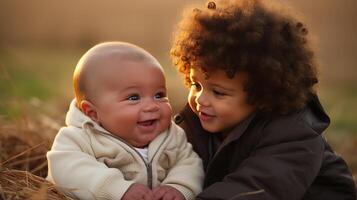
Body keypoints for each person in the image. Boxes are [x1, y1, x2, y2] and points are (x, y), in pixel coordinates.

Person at [170, 0, 356, 199]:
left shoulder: (294, 135)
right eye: (195, 85)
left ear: (261, 94)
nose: (200, 100)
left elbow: (257, 188)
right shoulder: (194, 123)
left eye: (219, 93)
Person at [46, 42, 204, 200]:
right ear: (93, 113)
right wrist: (117, 189)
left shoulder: (172, 136)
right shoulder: (78, 139)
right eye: (134, 97)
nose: (152, 106)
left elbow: (189, 163)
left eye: (159, 95)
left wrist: (178, 187)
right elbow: (67, 169)